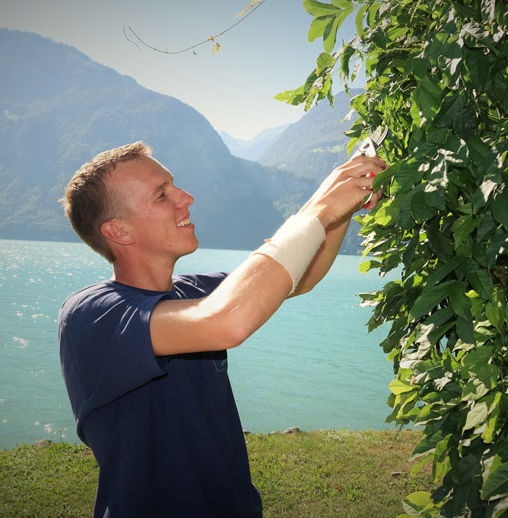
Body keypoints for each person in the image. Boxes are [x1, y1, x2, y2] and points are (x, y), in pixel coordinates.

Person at [58, 141, 386, 517]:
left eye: (174, 185)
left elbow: (298, 276)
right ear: (118, 231)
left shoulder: (194, 292)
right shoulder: (93, 315)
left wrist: (340, 210)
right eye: (162, 195)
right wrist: (318, 208)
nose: (186, 197)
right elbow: (228, 320)